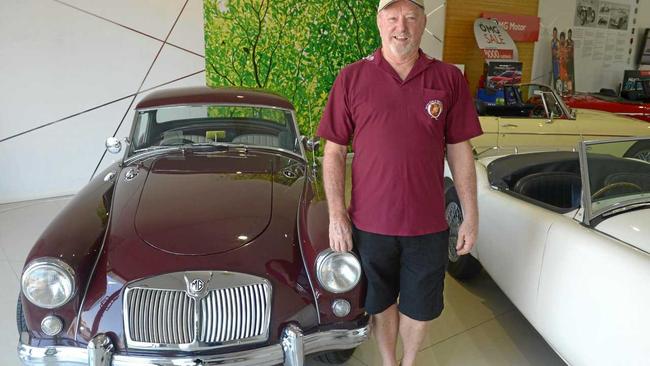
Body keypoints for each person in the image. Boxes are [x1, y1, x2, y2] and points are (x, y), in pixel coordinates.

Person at [316, 1, 483, 365]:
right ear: (379, 22)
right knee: (380, 302)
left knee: (421, 306)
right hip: (370, 224)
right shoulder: (352, 77)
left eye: (410, 17)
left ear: (424, 22)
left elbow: (460, 150)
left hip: (428, 225)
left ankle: (409, 362)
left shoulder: (447, 78)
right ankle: (390, 362)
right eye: (392, 17)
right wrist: (335, 215)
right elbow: (333, 152)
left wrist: (470, 213)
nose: (401, 27)